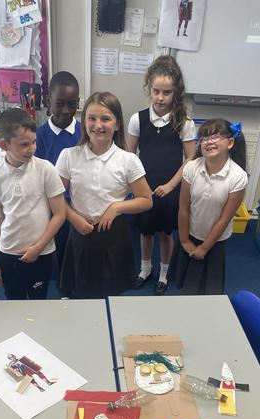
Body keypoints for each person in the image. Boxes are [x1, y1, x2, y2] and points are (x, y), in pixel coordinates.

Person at [56, 92, 152, 299]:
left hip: (114, 235)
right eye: (92, 118)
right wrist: (73, 218)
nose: (98, 125)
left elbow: (146, 200)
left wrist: (117, 207)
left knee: (111, 295)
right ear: (84, 122)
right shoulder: (69, 156)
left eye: (106, 119)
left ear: (117, 125)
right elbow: (55, 198)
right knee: (81, 292)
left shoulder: (128, 160)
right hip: (81, 232)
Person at [128, 55, 195, 295]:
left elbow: (190, 157)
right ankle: (145, 268)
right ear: (149, 88)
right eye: (156, 91)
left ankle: (164, 273)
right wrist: (138, 185)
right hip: (144, 186)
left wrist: (171, 185)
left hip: (170, 187)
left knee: (166, 233)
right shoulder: (137, 119)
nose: (160, 97)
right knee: (145, 231)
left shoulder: (183, 122)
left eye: (167, 93)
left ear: (176, 93)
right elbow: (129, 155)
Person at [0, 108, 66, 300]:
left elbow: (60, 214)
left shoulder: (46, 170)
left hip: (42, 252)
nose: (32, 148)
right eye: (24, 144)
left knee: (39, 301)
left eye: (34, 142)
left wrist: (38, 247)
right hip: (8, 252)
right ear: (4, 145)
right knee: (14, 301)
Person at [170, 118, 248, 295]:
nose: (208, 141)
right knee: (186, 284)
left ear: (230, 143)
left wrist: (204, 248)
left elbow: (224, 219)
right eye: (204, 138)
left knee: (208, 289)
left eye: (215, 136)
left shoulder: (238, 176)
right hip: (189, 235)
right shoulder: (191, 168)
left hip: (215, 242)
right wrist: (184, 240)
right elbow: (183, 208)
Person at [35, 71, 81, 295]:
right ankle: (63, 287)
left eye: (72, 104)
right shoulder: (38, 137)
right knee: (58, 247)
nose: (65, 111)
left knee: (78, 249)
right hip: (52, 206)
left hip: (81, 203)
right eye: (59, 104)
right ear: (48, 101)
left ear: (78, 103)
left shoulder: (85, 132)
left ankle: (76, 283)